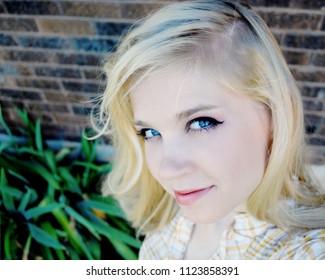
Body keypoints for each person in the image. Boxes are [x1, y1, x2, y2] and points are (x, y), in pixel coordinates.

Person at [93, 0, 325, 259]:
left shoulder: (306, 253)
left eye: (201, 122)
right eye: (150, 133)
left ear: (274, 114)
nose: (166, 170)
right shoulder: (173, 219)